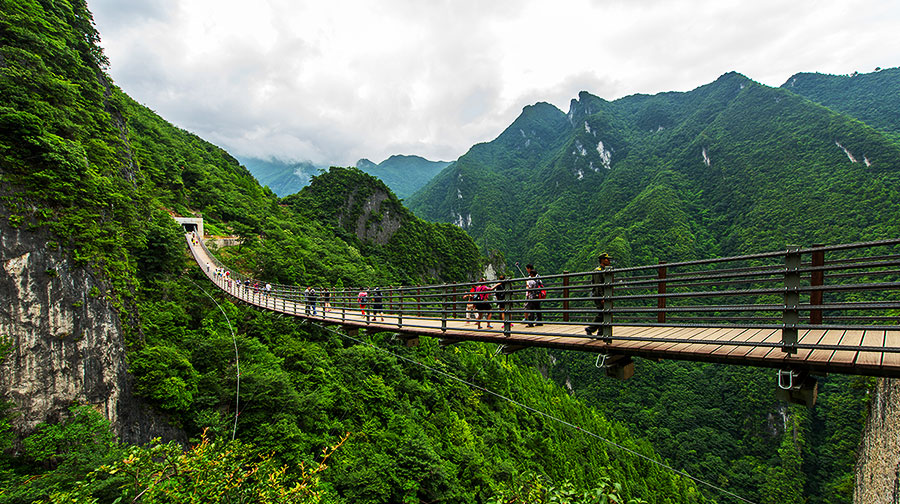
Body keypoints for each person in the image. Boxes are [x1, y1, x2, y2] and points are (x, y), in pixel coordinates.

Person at [585, 253, 612, 336]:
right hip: (600, 296)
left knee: (604, 313)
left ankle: (600, 333)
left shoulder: (605, 270)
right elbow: (597, 286)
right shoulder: (598, 271)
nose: (609, 261)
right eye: (607, 259)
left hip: (605, 296)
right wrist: (601, 298)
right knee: (602, 313)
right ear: (603, 260)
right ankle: (590, 329)